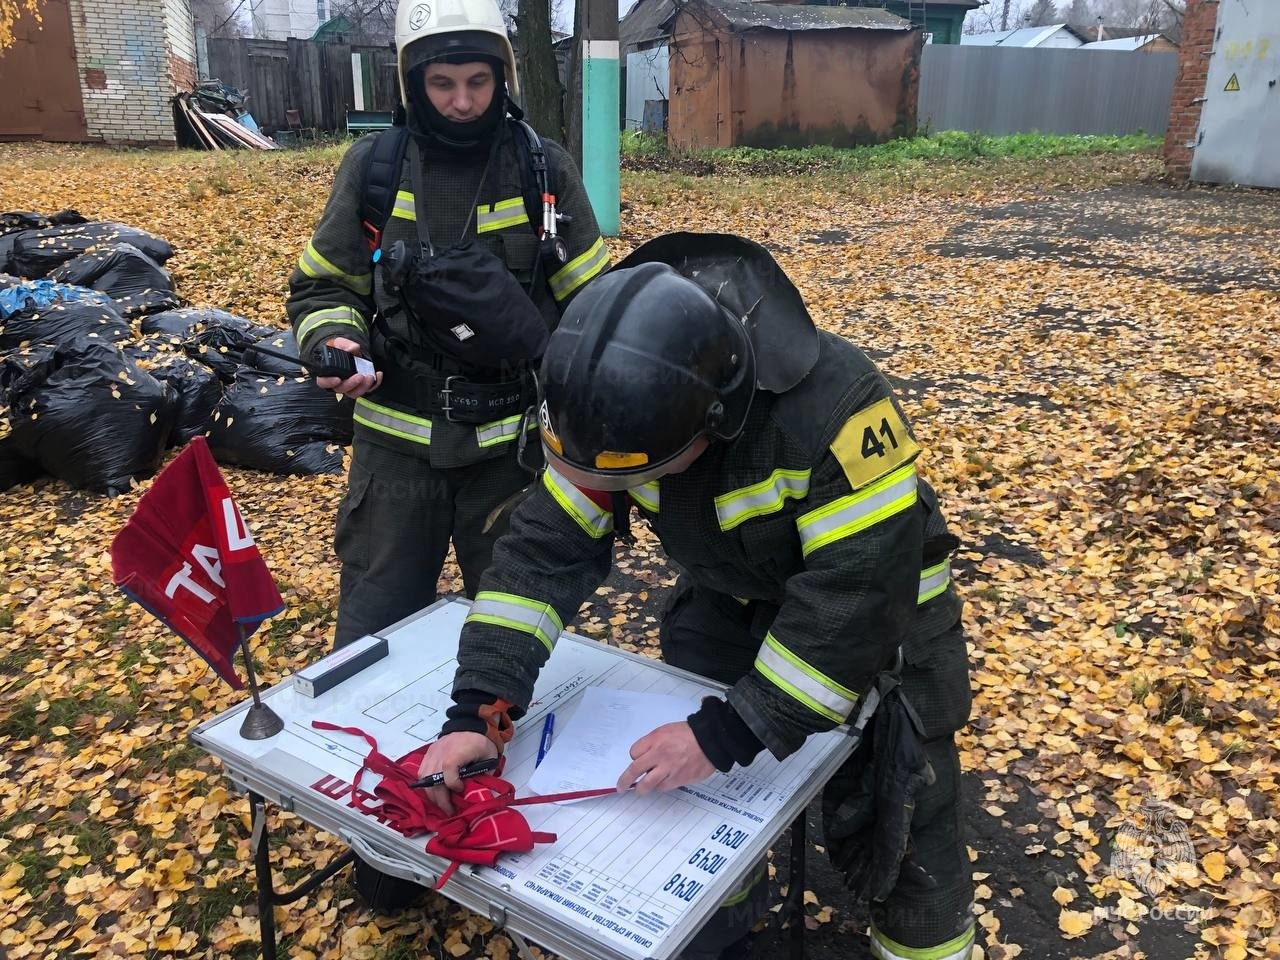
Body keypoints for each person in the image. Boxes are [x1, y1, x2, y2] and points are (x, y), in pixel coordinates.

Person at [417, 234, 977, 960]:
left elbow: (855, 600)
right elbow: (538, 560)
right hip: (730, 594)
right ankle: (719, 922)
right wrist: (481, 713)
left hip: (888, 616)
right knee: (690, 799)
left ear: (716, 419)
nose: (616, 488)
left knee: (905, 804)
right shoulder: (614, 404)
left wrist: (726, 734)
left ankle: (923, 942)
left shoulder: (837, 409)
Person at [286, 0, 607, 911]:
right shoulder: (376, 167)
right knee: (372, 642)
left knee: (509, 636)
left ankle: (487, 820)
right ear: (412, 84)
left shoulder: (544, 169)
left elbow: (593, 308)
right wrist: (334, 345)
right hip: (393, 462)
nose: (462, 100)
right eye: (443, 82)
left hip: (509, 457)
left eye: (478, 81)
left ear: (501, 80)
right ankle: (381, 850)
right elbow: (324, 283)